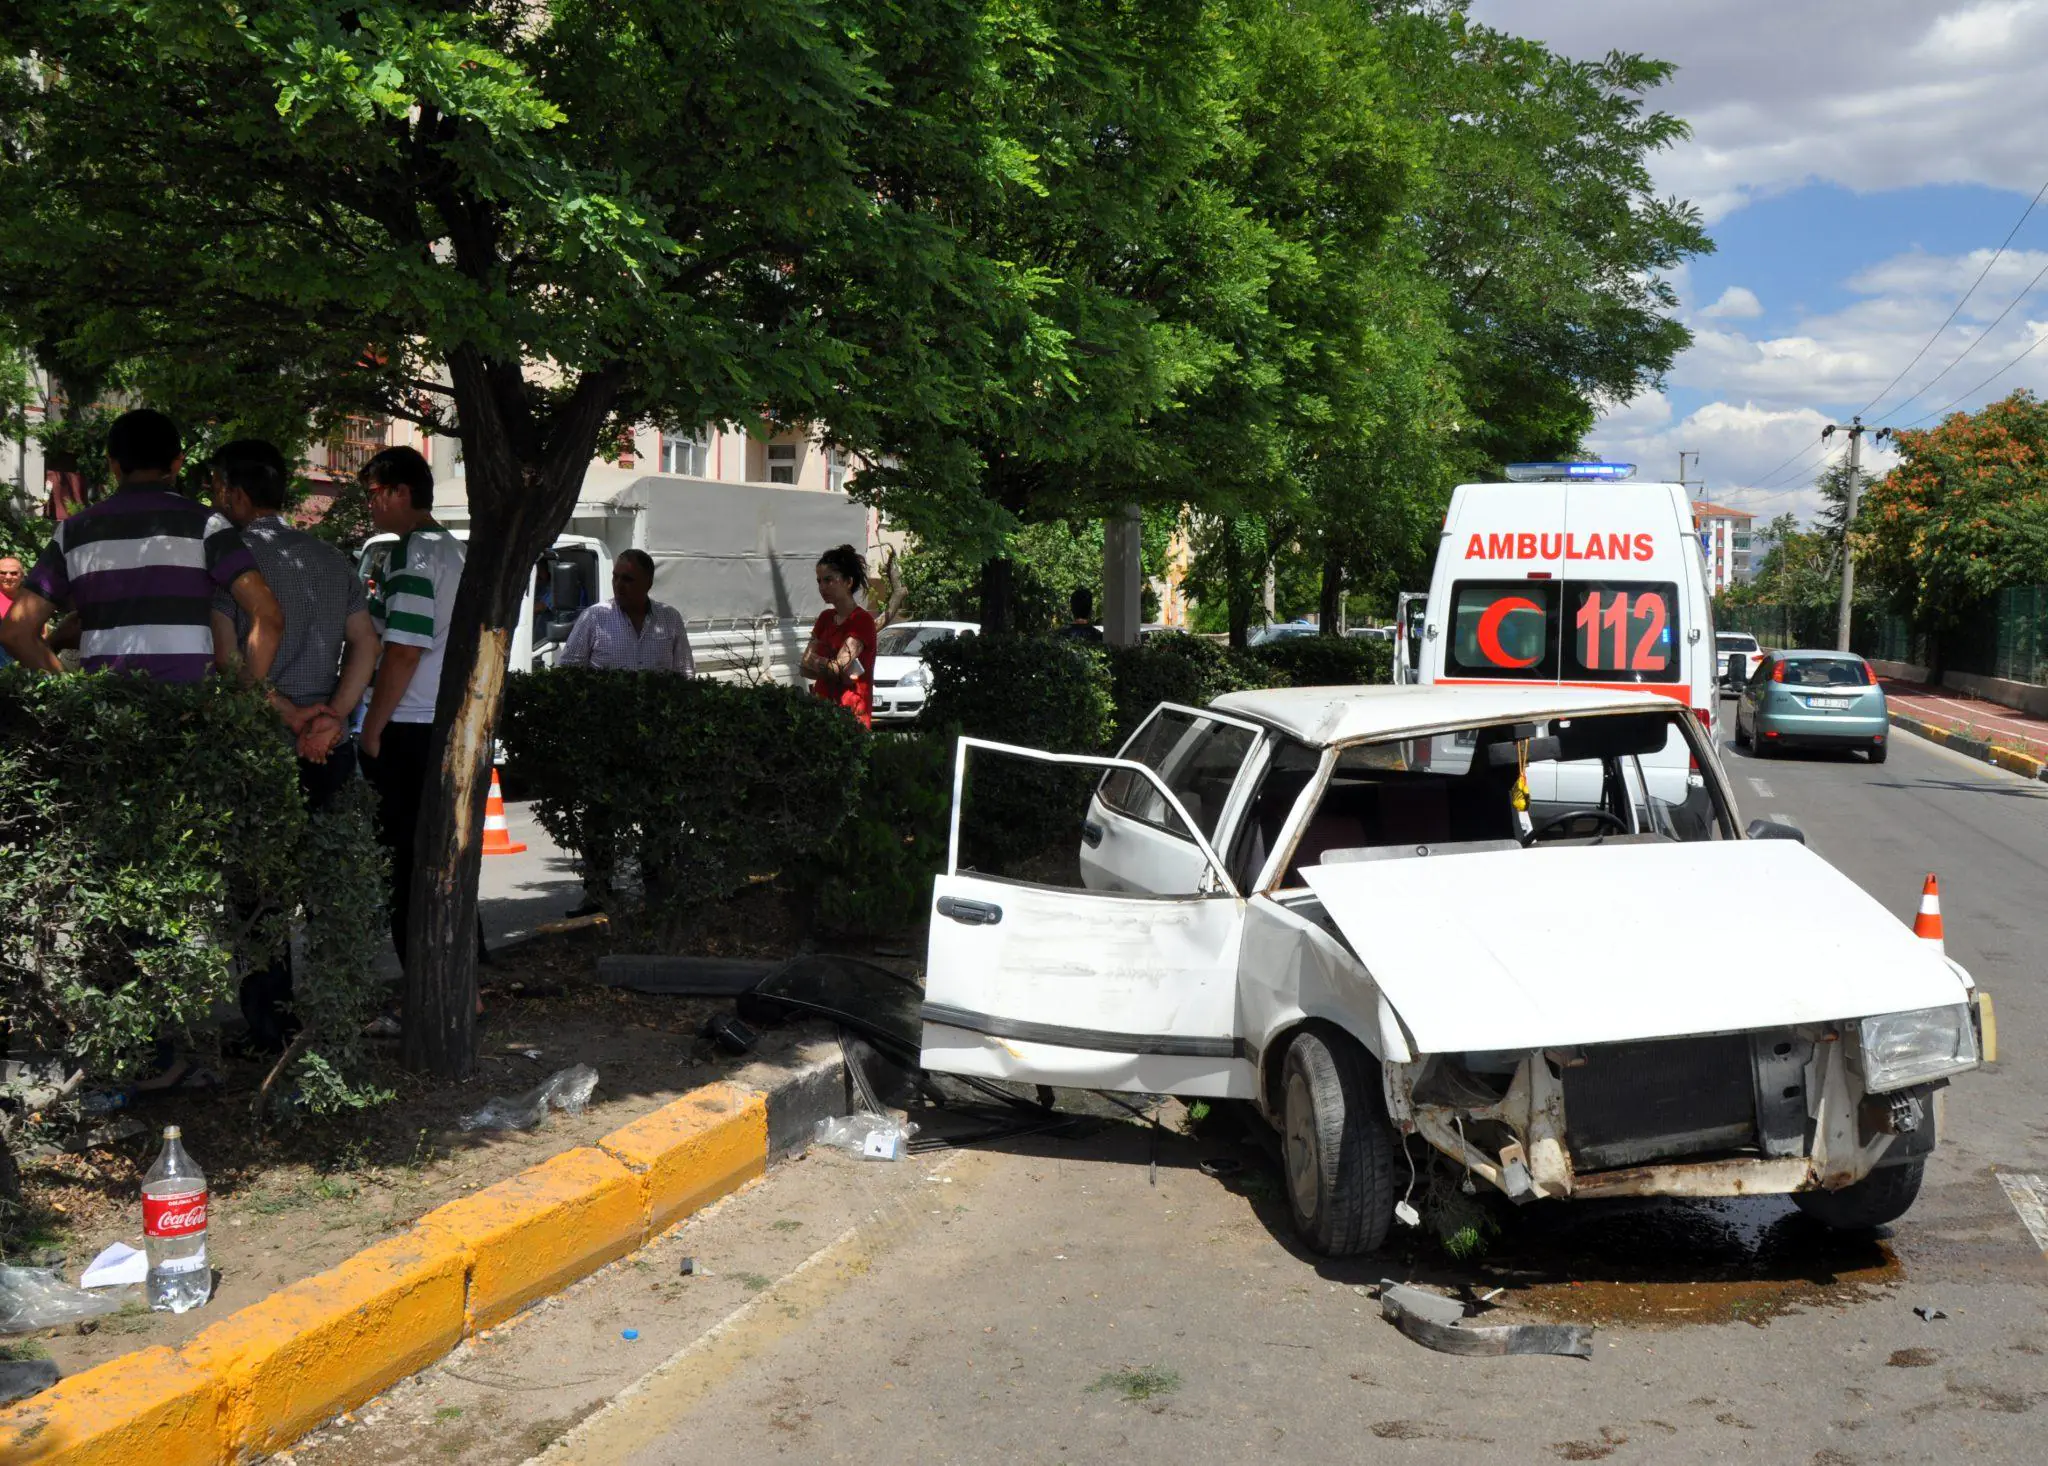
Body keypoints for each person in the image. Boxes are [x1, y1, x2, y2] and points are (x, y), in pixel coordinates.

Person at [206, 439, 380, 1050]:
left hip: (259, 743)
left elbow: (231, 663)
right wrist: (332, 715)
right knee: (331, 879)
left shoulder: (230, 564)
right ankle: (334, 1016)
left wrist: (289, 714)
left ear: (237, 495)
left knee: (258, 893)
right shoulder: (333, 560)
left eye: (217, 489)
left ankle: (268, 1027)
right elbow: (367, 644)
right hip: (327, 745)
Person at [0, 410, 283, 681]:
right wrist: (248, 695)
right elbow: (267, 615)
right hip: (191, 718)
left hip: (106, 717)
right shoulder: (208, 526)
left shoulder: (75, 531)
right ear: (177, 463)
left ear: (113, 465)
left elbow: (16, 632)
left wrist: (73, 696)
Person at [355, 445, 466, 968]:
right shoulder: (451, 550)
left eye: (374, 494)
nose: (370, 506)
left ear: (402, 492)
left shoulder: (412, 554)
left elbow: (402, 650)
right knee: (439, 862)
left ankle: (428, 990)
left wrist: (371, 728)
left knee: (406, 867)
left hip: (406, 725)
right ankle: (456, 987)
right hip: (437, 722)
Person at [557, 549, 694, 673]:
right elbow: (568, 671)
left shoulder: (670, 618)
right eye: (615, 577)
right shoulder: (593, 618)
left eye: (627, 579)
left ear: (648, 583)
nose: (618, 585)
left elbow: (684, 671)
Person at [802, 544, 877, 728]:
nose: (822, 587)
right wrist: (831, 668)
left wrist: (819, 662)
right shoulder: (825, 618)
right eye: (819, 581)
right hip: (821, 712)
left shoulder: (861, 621)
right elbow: (805, 667)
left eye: (829, 580)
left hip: (851, 717)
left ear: (848, 582)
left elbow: (837, 667)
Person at [0, 555, 21, 666]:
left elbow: (43, 634)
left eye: (13, 573)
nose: (8, 577)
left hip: (25, 668)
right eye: (3, 573)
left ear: (21, 576)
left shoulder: (31, 601)